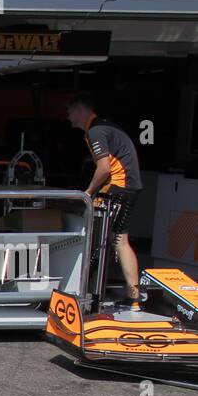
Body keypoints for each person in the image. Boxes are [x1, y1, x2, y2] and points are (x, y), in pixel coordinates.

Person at [66, 92, 144, 310]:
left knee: (99, 239)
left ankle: (89, 294)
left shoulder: (96, 131)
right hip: (128, 186)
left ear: (80, 110)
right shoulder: (102, 127)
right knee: (119, 239)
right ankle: (133, 298)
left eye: (70, 112)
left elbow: (104, 169)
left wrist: (88, 193)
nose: (68, 117)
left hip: (118, 187)